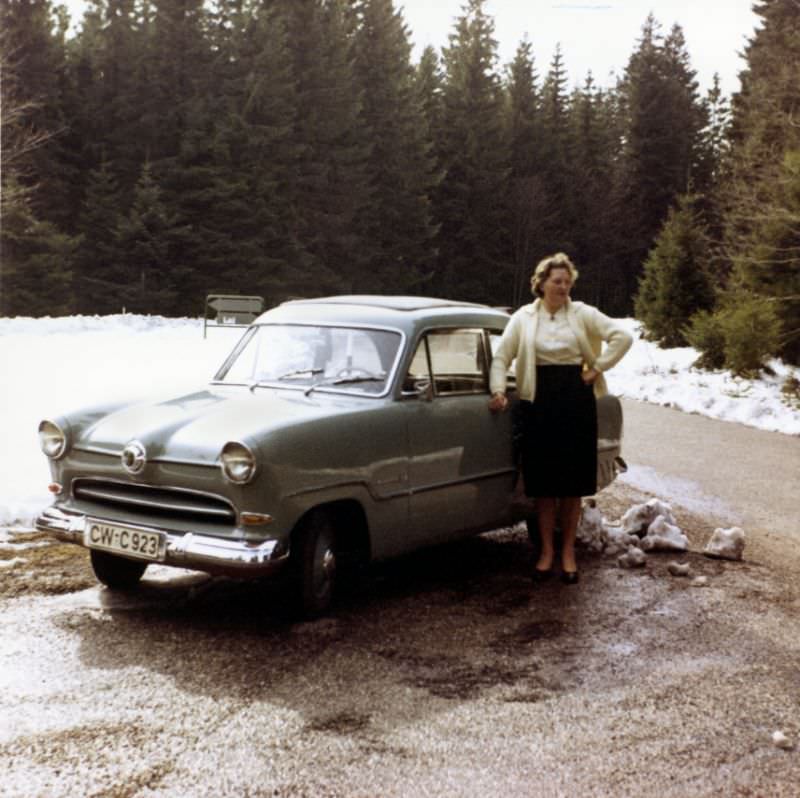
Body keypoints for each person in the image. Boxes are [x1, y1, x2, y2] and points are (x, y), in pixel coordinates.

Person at [488, 253, 632, 585]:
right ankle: (546, 552)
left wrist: (596, 368)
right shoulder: (523, 317)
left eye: (568, 282)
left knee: (571, 487)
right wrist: (498, 390)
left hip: (575, 400)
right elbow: (501, 358)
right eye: (557, 281)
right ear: (541, 283)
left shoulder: (582, 314)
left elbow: (622, 337)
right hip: (538, 402)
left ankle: (568, 553)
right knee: (543, 486)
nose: (563, 287)